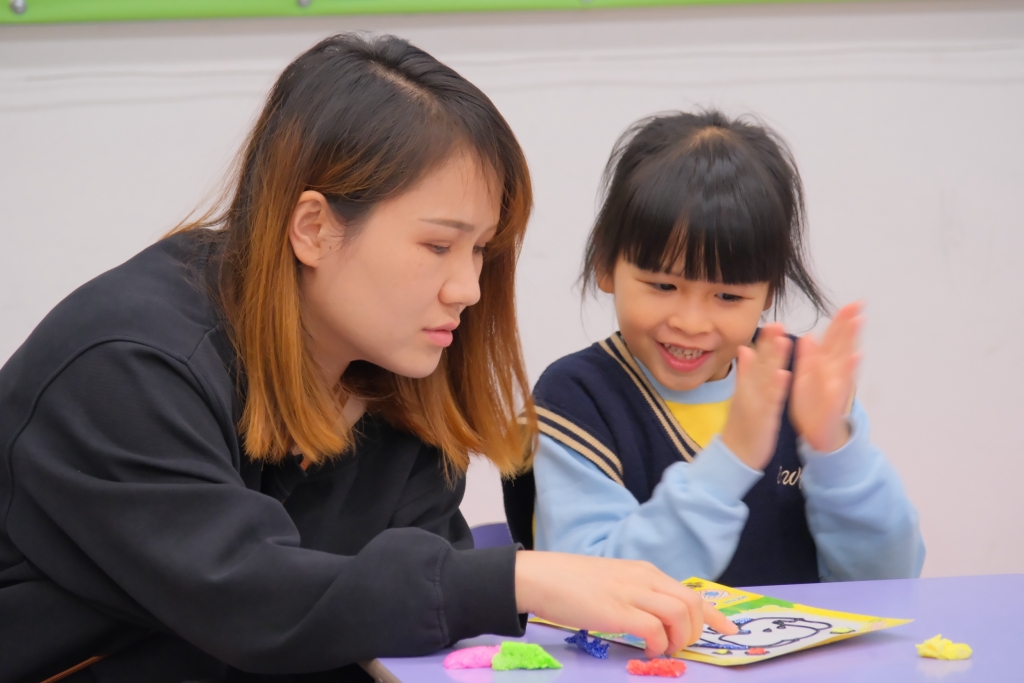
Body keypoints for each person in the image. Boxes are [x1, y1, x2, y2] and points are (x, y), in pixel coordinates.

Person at [0, 36, 734, 683]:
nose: (469, 288)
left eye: (481, 250)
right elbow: (252, 599)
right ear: (314, 228)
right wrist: (520, 578)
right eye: (438, 245)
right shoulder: (127, 364)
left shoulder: (397, 376)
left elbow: (409, 623)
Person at [504, 110, 925, 587]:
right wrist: (733, 460)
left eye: (727, 296)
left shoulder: (803, 385)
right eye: (663, 286)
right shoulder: (579, 400)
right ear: (605, 263)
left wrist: (836, 450)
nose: (690, 322)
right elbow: (591, 591)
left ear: (769, 291)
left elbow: (891, 581)